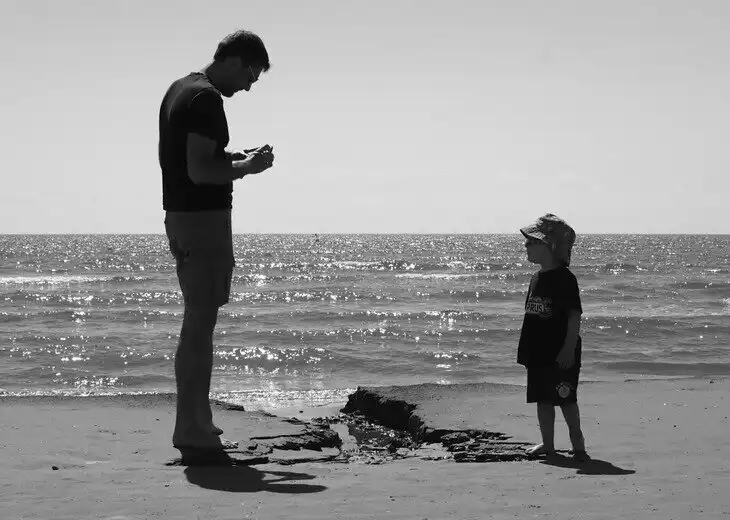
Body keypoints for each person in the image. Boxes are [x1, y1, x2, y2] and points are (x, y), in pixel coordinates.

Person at [158, 29, 275, 458]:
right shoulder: (206, 99)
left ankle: (197, 419)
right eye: (250, 76)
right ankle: (190, 427)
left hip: (184, 218)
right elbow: (200, 172)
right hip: (201, 221)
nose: (248, 87)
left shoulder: (181, 88)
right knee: (199, 324)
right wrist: (249, 168)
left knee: (198, 321)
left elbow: (194, 159)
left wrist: (237, 157)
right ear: (235, 61)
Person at [516, 213, 589, 462]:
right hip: (538, 350)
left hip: (560, 351)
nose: (526, 246)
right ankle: (548, 445)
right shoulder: (536, 278)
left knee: (565, 398)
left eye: (531, 242)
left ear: (549, 246)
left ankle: (578, 444)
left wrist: (568, 348)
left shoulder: (565, 279)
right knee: (542, 399)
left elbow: (574, 315)